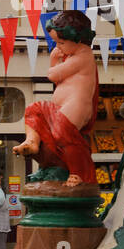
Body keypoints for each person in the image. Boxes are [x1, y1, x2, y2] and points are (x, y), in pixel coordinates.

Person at [13, 10, 99, 185]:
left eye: (61, 42)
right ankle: (32, 142)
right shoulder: (70, 54)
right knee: (33, 110)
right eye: (55, 42)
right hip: (63, 105)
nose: (58, 47)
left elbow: (54, 75)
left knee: (62, 134)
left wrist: (54, 60)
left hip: (76, 106)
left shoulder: (84, 55)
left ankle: (77, 172)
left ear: (77, 39)